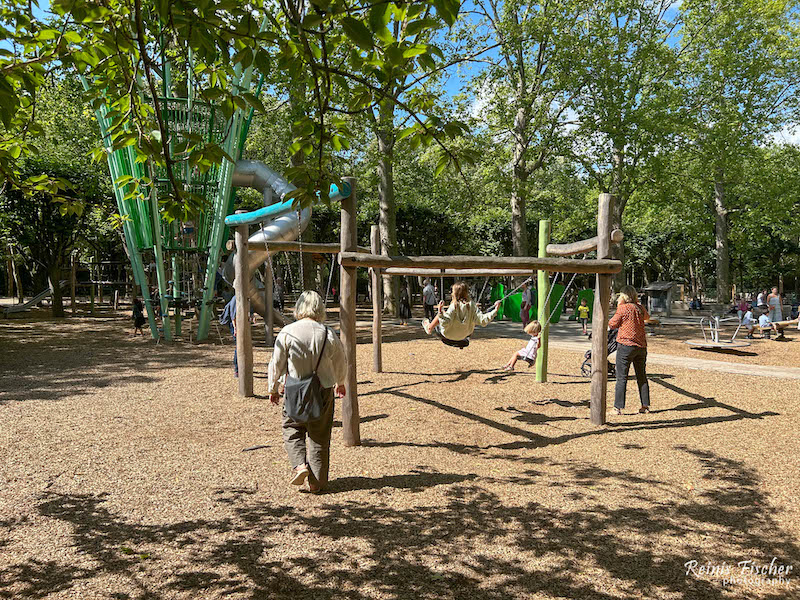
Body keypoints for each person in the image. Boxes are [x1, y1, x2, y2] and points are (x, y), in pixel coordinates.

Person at [267, 291, 346, 494]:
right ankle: (317, 483)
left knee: (292, 427)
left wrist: (273, 388)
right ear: (320, 308)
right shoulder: (327, 333)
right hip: (323, 388)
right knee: (320, 434)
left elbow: (276, 363)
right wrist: (340, 382)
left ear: (300, 307)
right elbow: (340, 359)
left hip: (294, 387)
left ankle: (300, 466)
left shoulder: (287, 332)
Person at [608, 285, 651, 416]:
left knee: (621, 377)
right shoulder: (640, 308)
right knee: (642, 376)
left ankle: (618, 407)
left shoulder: (623, 309)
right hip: (641, 347)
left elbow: (612, 324)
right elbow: (647, 317)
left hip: (626, 346)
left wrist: (619, 307)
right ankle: (645, 405)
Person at [422, 281, 501, 343]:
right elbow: (482, 320)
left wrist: (439, 311)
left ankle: (429, 328)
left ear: (454, 293)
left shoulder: (454, 305)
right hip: (465, 334)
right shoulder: (471, 305)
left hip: (449, 334)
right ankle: (430, 326)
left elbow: (446, 322)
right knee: (472, 316)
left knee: (442, 313)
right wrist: (495, 310)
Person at [220, 295, 239, 377]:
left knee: (242, 346)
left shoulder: (246, 296)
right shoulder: (236, 298)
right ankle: (237, 369)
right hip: (235, 325)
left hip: (240, 324)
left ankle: (241, 367)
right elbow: (233, 316)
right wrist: (235, 328)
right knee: (239, 347)